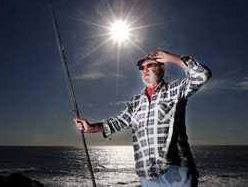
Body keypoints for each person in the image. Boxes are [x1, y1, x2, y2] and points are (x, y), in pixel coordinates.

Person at [74, 50, 212, 187]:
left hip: (177, 172)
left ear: (162, 67)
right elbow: (118, 122)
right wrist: (91, 127)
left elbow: (202, 75)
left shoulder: (173, 90)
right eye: (142, 67)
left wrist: (172, 58)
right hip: (147, 177)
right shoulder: (136, 102)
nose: (144, 70)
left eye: (150, 65)